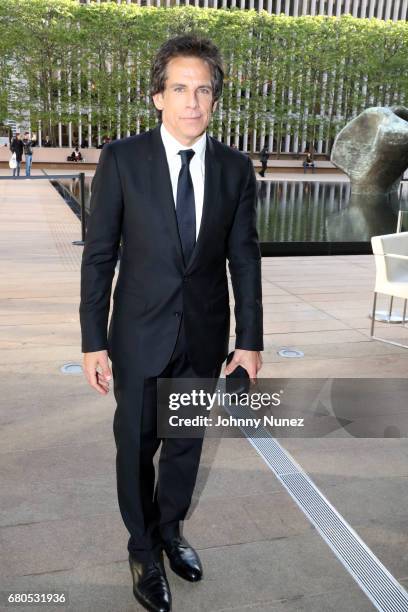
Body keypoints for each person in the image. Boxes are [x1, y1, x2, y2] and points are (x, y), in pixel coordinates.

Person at [80, 34, 263, 612]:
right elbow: (100, 255)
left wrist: (249, 342)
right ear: (158, 96)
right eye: (180, 89)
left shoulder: (235, 169)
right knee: (135, 447)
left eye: (203, 90)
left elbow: (244, 259)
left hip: (204, 337)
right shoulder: (123, 159)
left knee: (184, 446)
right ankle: (141, 548)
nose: (193, 102)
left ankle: (170, 531)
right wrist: (93, 340)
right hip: (137, 338)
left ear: (214, 99)